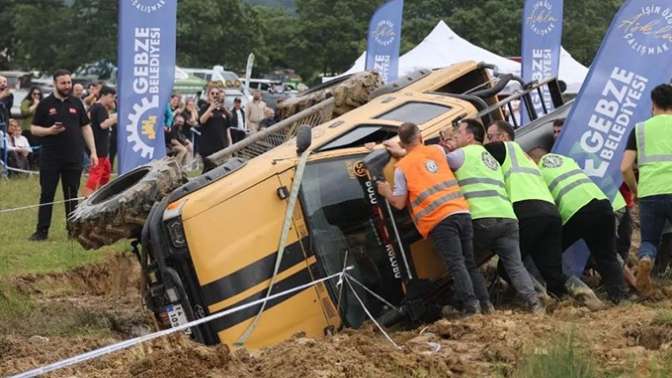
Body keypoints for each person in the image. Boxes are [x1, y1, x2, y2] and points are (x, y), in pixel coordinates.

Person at [376, 122, 492, 315]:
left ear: (403, 144)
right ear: (420, 137)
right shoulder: (437, 150)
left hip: (439, 221)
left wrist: (385, 190)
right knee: (468, 262)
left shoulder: (401, 168)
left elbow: (399, 203)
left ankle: (472, 307)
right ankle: (486, 304)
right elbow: (423, 159)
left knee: (456, 263)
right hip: (461, 211)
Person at [485, 121, 602, 307]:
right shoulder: (528, 159)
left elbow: (476, 154)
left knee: (508, 265)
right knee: (552, 271)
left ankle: (542, 299)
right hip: (551, 213)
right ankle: (584, 294)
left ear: (503, 137)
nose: (488, 141)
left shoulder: (504, 149)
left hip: (527, 211)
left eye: (490, 136)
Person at [448, 119, 542, 313]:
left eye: (458, 134)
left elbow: (437, 162)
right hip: (507, 218)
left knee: (467, 262)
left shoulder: (462, 154)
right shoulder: (491, 158)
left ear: (470, 136)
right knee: (515, 265)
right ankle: (535, 304)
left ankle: (483, 306)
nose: (456, 138)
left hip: (482, 218)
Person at [529, 149, 628, 303]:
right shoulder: (566, 159)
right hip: (602, 204)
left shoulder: (537, 171)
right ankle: (620, 298)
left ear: (533, 160)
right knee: (607, 256)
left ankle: (561, 293)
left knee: (549, 255)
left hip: (576, 212)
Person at [28, 69, 98, 241]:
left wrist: (94, 151)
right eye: (63, 83)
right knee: (47, 194)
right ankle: (41, 231)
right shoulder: (45, 104)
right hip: (50, 158)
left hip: (73, 157)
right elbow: (33, 128)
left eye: (69, 82)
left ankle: (73, 231)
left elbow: (86, 127)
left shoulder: (76, 103)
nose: (67, 86)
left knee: (71, 194)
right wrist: (49, 131)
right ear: (55, 83)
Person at [622, 83, 672, 296]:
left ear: (653, 104)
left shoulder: (640, 129)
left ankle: (645, 259)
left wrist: (637, 190)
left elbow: (625, 167)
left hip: (650, 192)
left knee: (649, 240)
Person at [83, 86, 117, 197]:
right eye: (111, 96)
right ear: (103, 96)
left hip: (100, 146)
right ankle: (87, 198)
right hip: (99, 147)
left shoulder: (95, 107)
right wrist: (117, 117)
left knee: (106, 171)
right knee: (96, 172)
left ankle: (103, 194)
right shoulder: (100, 107)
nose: (113, 99)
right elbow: (103, 124)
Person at [197, 86, 231, 173]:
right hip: (208, 146)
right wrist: (211, 108)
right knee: (208, 172)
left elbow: (227, 129)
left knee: (221, 171)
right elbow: (202, 120)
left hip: (221, 145)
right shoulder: (205, 107)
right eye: (212, 93)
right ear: (208, 95)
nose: (215, 95)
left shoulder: (223, 111)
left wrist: (230, 144)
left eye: (217, 93)